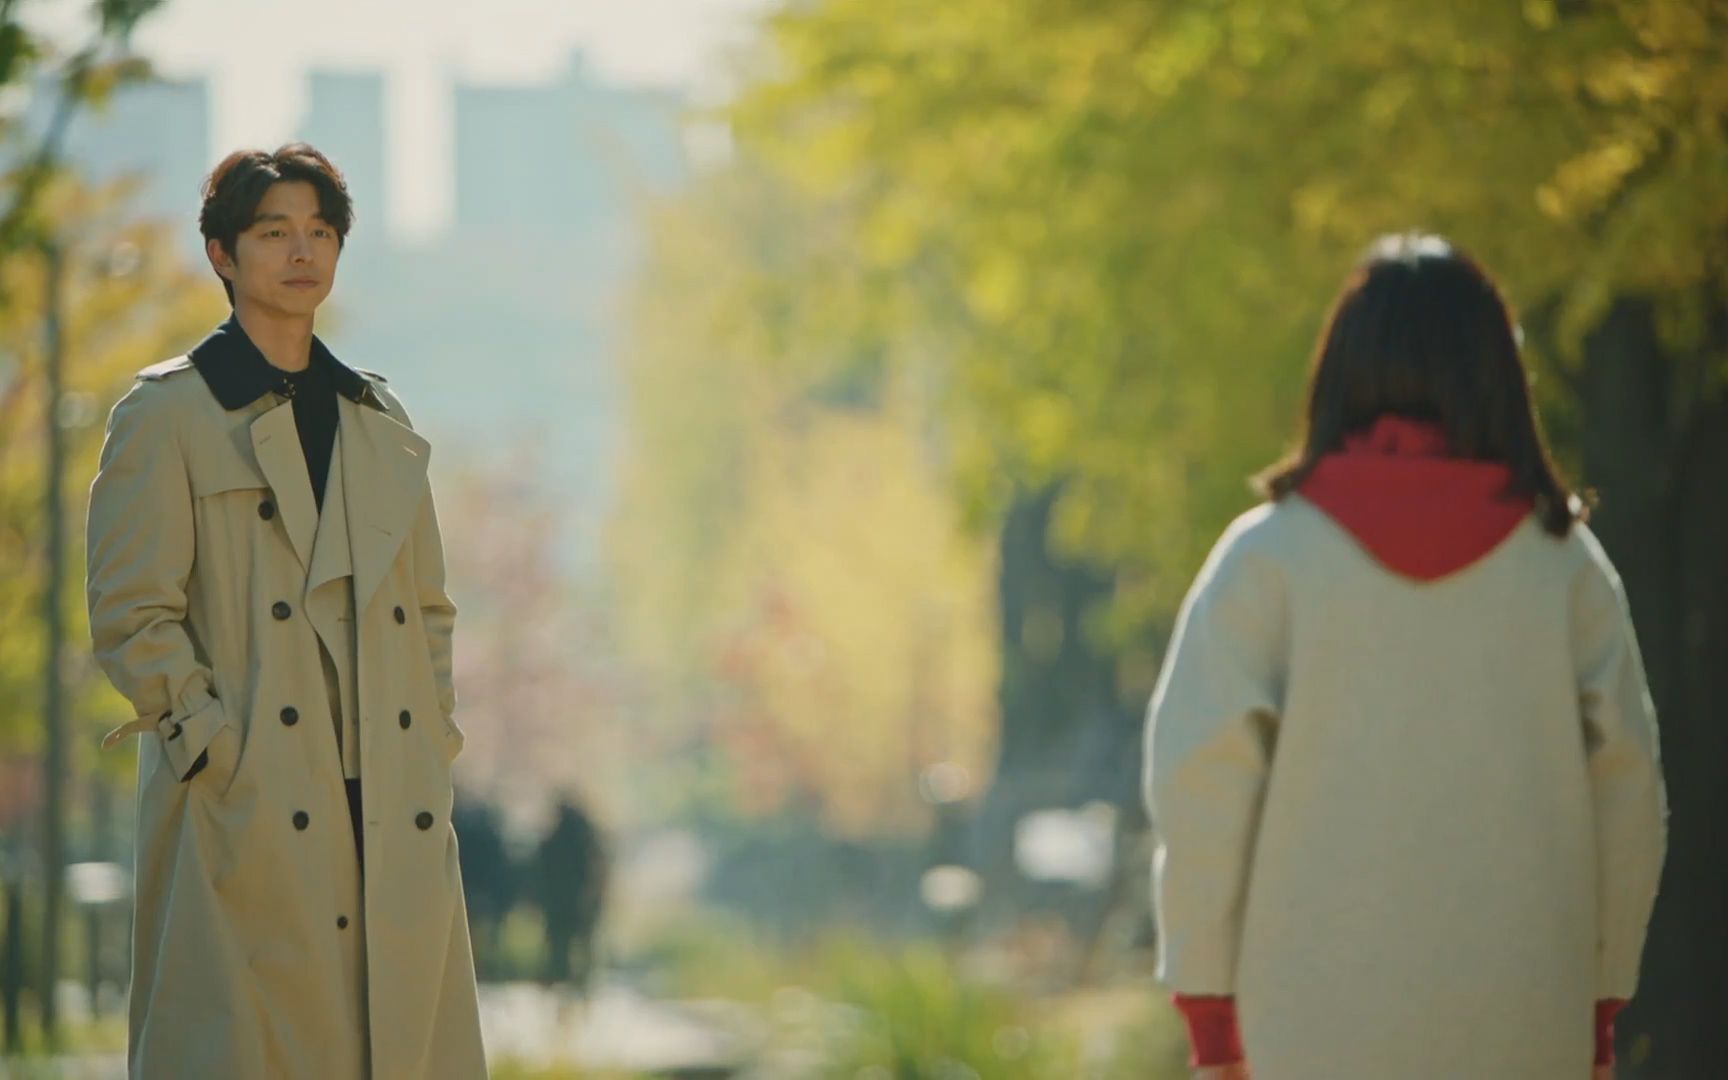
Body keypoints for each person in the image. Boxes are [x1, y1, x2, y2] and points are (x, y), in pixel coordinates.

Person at [1142, 234, 1667, 1080]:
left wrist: (1211, 1020)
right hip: (1527, 1027)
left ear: (1337, 375)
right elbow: (1629, 794)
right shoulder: (1567, 571)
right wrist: (1601, 1008)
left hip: (1303, 1039)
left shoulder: (1268, 561)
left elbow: (1201, 787)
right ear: (1499, 378)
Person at [85, 144, 485, 1078]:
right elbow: (130, 611)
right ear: (222, 255)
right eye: (274, 233)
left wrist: (431, 740)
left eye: (320, 231)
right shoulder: (166, 415)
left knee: (392, 1045)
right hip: (250, 797)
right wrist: (212, 746)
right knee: (250, 1043)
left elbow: (428, 607)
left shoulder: (377, 417)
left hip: (387, 794)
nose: (302, 252)